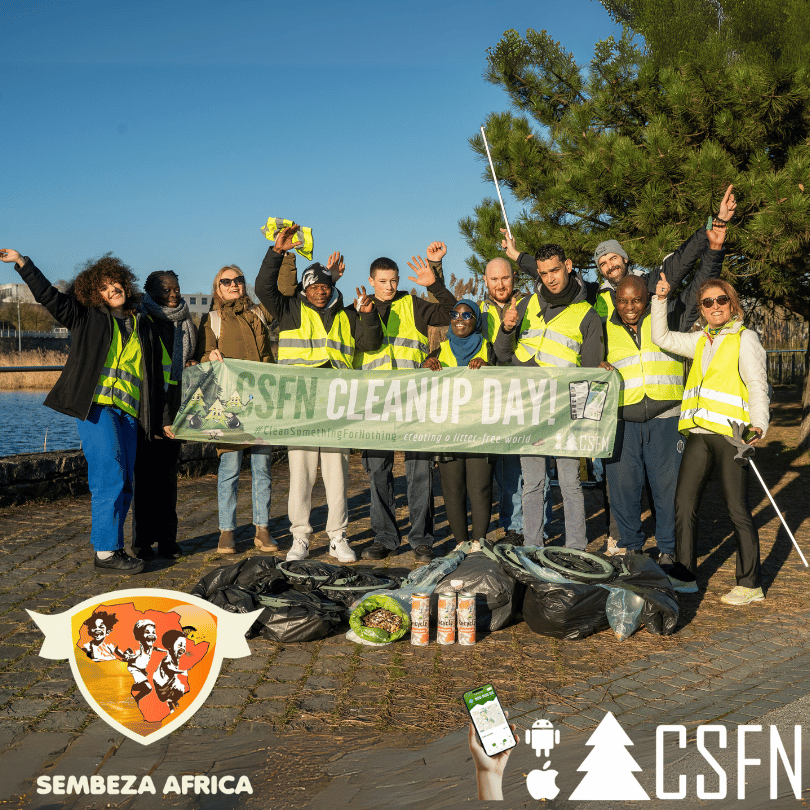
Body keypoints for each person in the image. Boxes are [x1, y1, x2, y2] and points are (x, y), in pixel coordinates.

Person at [0, 249, 174, 574]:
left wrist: (163, 420)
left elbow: (157, 376)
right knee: (109, 474)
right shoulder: (86, 316)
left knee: (124, 481)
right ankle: (106, 553)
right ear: (96, 292)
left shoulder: (142, 323)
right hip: (96, 409)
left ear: (125, 284)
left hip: (128, 412)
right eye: (105, 287)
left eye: (116, 283)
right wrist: (24, 263)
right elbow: (50, 297)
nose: (113, 290)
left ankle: (114, 548)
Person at [600, 216, 731, 564]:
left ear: (648, 296)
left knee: (667, 491)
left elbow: (699, 282)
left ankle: (669, 551)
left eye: (638, 300)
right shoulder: (602, 328)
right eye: (624, 301)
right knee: (624, 492)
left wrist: (714, 248)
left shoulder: (668, 316)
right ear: (615, 300)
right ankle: (630, 550)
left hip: (665, 416)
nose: (630, 308)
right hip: (622, 422)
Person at [255, 224, 382, 564]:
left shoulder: (347, 313)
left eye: (326, 287)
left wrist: (368, 318)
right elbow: (263, 288)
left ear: (332, 288)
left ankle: (338, 538)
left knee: (338, 476)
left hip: (337, 408)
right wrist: (277, 252)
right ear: (305, 290)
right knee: (302, 477)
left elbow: (370, 344)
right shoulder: (289, 310)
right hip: (301, 407)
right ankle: (300, 538)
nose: (321, 293)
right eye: (315, 288)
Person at [652, 274, 769, 605]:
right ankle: (685, 577)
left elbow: (758, 384)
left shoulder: (745, 339)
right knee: (684, 504)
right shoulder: (700, 340)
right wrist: (660, 299)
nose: (715, 307)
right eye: (707, 302)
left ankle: (750, 584)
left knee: (737, 509)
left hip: (733, 436)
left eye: (721, 300)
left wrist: (758, 426)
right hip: (700, 434)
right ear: (701, 310)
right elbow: (660, 336)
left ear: (732, 304)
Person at [495, 244, 603, 549]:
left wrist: (584, 422)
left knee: (570, 484)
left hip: (566, 415)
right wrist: (506, 328)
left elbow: (591, 372)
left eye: (554, 270)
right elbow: (503, 355)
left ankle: (577, 550)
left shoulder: (587, 314)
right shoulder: (524, 304)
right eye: (542, 273)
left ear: (568, 265)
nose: (549, 278)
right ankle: (532, 547)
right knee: (532, 484)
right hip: (529, 411)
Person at [355, 242, 457, 562]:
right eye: (383, 281)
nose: (389, 287)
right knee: (378, 473)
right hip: (375, 404)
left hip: (415, 401)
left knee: (420, 472)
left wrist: (434, 283)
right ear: (371, 281)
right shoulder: (358, 309)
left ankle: (422, 540)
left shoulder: (413, 304)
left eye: (394, 280)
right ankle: (385, 537)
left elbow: (452, 310)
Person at [195, 263, 277, 555]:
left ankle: (262, 529)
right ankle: (227, 531)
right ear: (218, 289)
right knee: (228, 469)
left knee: (262, 469)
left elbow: (279, 288)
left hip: (262, 404)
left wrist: (283, 256)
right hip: (228, 405)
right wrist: (209, 354)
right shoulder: (213, 319)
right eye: (226, 281)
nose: (234, 285)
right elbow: (201, 354)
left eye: (238, 280)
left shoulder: (259, 313)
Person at [132, 271, 197, 560]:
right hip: (147, 411)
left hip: (176, 410)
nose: (174, 294)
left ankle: (168, 542)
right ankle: (142, 544)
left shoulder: (185, 321)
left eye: (177, 288)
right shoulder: (142, 320)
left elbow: (185, 365)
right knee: (145, 484)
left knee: (168, 484)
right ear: (150, 292)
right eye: (166, 289)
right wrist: (159, 418)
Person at [423, 300, 495, 544]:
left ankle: (479, 544)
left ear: (476, 321)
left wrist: (490, 368)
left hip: (480, 432)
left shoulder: (488, 348)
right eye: (455, 314)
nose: (459, 318)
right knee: (452, 492)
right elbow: (419, 387)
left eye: (467, 314)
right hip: (448, 432)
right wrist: (424, 367)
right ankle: (461, 545)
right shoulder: (439, 350)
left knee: (480, 489)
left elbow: (506, 383)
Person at [120, 619, 160, 703]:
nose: (151, 635)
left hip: (139, 671)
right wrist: (127, 656)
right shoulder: (137, 647)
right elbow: (128, 653)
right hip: (132, 670)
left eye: (153, 632)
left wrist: (167, 651)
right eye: (147, 632)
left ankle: (131, 698)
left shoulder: (150, 648)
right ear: (139, 635)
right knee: (147, 688)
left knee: (145, 688)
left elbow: (156, 649)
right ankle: (133, 699)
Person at [153, 629, 190, 713]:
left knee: (180, 688)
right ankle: (171, 704)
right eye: (180, 645)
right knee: (177, 690)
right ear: (170, 646)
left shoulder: (173, 655)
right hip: (161, 682)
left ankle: (173, 701)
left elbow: (165, 650)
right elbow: (169, 669)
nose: (182, 648)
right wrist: (182, 671)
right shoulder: (167, 659)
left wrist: (157, 648)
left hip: (169, 680)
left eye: (184, 646)